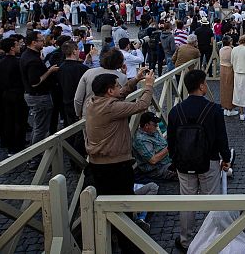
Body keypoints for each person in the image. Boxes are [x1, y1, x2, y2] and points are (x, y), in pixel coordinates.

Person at [85, 68, 155, 253]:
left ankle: (113, 239)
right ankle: (127, 244)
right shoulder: (111, 108)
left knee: (109, 204)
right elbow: (141, 105)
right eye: (116, 86)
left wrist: (135, 80)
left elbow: (120, 95)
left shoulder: (92, 102)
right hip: (115, 166)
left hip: (97, 164)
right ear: (109, 91)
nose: (119, 88)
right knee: (123, 205)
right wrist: (148, 85)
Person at [168, 69, 231, 253]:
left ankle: (186, 240)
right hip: (209, 161)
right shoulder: (214, 110)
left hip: (184, 163)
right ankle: (213, 237)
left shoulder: (175, 111)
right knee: (212, 200)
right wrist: (225, 158)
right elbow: (222, 138)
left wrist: (175, 160)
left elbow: (171, 141)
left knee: (187, 202)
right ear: (202, 86)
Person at [20, 31, 60, 147]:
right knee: (41, 128)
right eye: (41, 40)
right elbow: (35, 82)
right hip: (39, 96)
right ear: (33, 43)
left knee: (39, 126)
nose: (43, 42)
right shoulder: (32, 60)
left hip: (35, 95)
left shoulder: (29, 55)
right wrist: (49, 71)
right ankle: (36, 157)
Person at [0, 37, 29, 154]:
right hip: (17, 94)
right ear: (12, 48)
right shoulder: (18, 62)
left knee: (8, 119)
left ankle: (9, 143)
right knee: (19, 120)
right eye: (17, 45)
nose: (19, 47)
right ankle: (18, 144)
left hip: (5, 94)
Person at [133, 111, 176, 181]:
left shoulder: (152, 131)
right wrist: (170, 146)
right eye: (155, 124)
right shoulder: (141, 140)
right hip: (157, 169)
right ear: (146, 125)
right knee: (184, 170)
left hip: (168, 161)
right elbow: (153, 160)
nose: (157, 126)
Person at [219, 36, 238, 117]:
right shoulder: (232, 50)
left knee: (223, 88)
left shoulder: (221, 50)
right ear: (229, 42)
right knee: (230, 89)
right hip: (230, 69)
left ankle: (225, 108)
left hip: (222, 69)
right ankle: (230, 108)